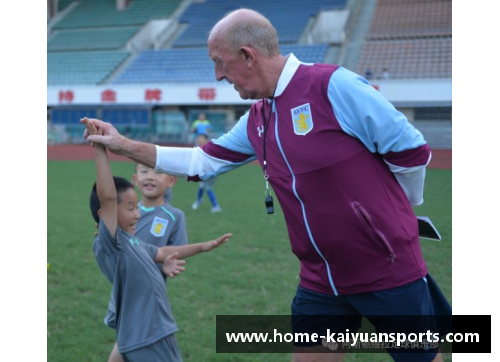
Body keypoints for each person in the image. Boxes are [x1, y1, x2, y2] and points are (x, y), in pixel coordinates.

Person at [83, 9, 450, 362]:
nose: (217, 75)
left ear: (247, 56)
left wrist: (401, 209)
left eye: (219, 62)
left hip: (383, 266)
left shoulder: (332, 85)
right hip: (320, 279)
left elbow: (410, 149)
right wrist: (123, 145)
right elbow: (203, 161)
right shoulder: (259, 115)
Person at [83, 118, 231, 362]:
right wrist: (100, 148)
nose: (137, 214)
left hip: (144, 322)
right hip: (149, 329)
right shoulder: (112, 241)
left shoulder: (133, 242)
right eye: (130, 208)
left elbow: (162, 252)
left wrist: (204, 247)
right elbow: (108, 198)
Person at [107, 163, 189, 362]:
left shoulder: (174, 216)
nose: (150, 177)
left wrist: (166, 264)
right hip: (124, 289)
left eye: (158, 172)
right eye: (144, 172)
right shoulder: (125, 213)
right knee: (128, 336)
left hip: (149, 293)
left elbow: (177, 252)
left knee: (134, 337)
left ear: (171, 181)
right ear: (135, 180)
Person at [191, 133, 221, 213]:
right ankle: (199, 200)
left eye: (201, 138)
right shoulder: (197, 148)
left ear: (206, 139)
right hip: (201, 171)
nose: (198, 139)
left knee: (208, 188)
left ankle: (216, 206)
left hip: (210, 172)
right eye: (198, 138)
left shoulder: (210, 147)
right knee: (201, 186)